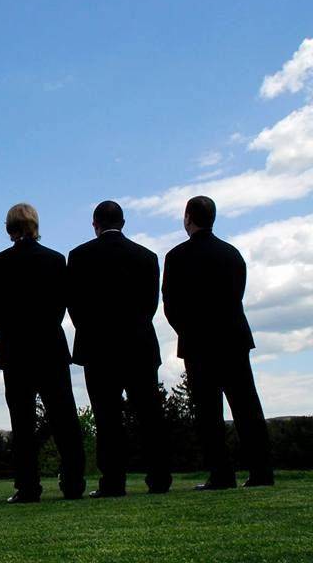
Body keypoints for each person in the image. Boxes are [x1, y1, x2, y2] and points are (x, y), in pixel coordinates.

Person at [163, 196, 273, 489]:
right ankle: (262, 471)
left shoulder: (176, 257)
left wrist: (187, 330)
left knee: (208, 413)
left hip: (198, 343)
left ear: (188, 218)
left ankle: (221, 474)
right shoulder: (232, 254)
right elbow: (237, 295)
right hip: (233, 338)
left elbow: (170, 306)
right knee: (247, 407)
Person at [67, 201, 172, 497]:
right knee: (150, 415)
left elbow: (74, 305)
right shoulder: (147, 257)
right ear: (123, 222)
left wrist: (91, 330)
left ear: (94, 224)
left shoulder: (79, 256)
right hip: (139, 345)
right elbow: (151, 304)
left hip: (98, 348)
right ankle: (159, 477)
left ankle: (113, 481)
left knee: (107, 417)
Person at [0, 204, 86, 503]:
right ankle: (73, 483)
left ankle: (28, 487)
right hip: (51, 347)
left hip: (16, 350)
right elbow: (62, 304)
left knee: (22, 423)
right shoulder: (56, 260)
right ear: (35, 225)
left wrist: (11, 336)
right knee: (65, 419)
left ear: (9, 228)